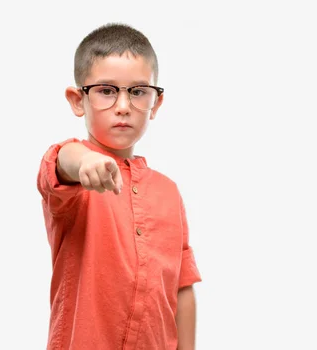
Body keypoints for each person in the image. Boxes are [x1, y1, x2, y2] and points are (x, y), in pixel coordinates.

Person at [36, 23, 202, 350]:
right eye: (106, 91)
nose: (124, 105)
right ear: (77, 100)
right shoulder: (74, 177)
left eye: (138, 91)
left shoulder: (168, 192)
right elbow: (60, 161)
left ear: (155, 103)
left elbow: (182, 287)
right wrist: (85, 163)